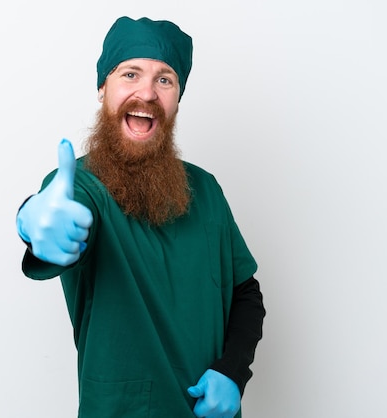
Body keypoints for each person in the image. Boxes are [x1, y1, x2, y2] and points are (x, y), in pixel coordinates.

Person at [16, 16, 265, 418]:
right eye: (130, 74)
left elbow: (246, 293)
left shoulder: (206, 190)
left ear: (178, 98)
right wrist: (29, 219)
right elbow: (59, 214)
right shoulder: (82, 187)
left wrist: (233, 371)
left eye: (164, 79)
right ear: (103, 88)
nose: (146, 93)